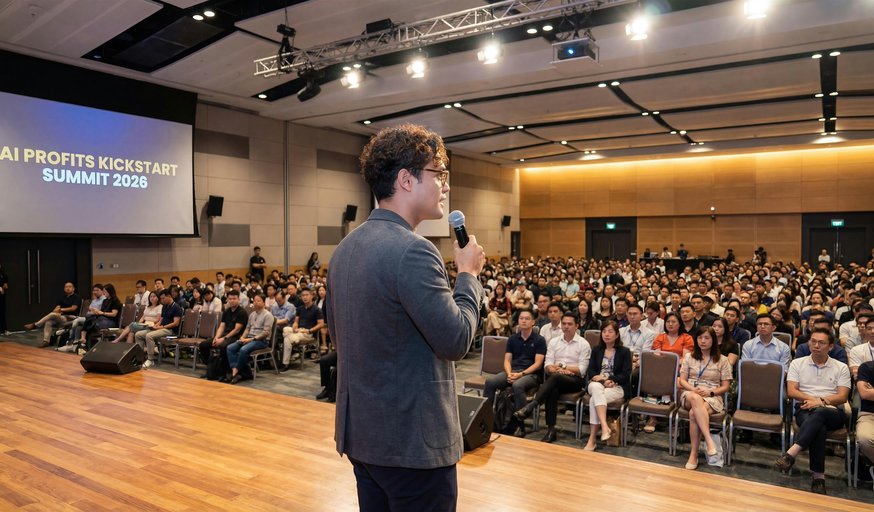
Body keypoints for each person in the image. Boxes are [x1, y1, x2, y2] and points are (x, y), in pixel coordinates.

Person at [327, 124, 484, 512]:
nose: (446, 185)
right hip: (412, 444)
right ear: (406, 180)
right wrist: (468, 275)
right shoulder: (415, 250)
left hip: (364, 437)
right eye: (439, 173)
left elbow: (340, 337)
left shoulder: (345, 248)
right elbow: (455, 340)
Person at [775, 328, 851, 495]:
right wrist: (814, 401)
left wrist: (820, 402)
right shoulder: (797, 363)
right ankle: (818, 478)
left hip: (833, 411)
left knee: (821, 413)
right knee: (819, 427)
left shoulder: (841, 367)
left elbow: (842, 396)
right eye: (813, 341)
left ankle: (792, 452)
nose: (816, 345)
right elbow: (792, 391)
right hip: (804, 407)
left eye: (821, 343)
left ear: (830, 346)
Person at [514, 312, 591, 443]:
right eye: (564, 324)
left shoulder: (583, 344)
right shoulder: (554, 342)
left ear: (577, 326)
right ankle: (551, 430)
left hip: (575, 381)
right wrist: (554, 369)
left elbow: (582, 370)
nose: (566, 326)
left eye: (570, 324)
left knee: (555, 378)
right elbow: (547, 365)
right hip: (556, 379)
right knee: (552, 389)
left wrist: (562, 367)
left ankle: (531, 406)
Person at [482, 310, 546, 437]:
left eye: (527, 318)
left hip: (531, 375)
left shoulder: (539, 340)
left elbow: (538, 364)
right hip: (513, 371)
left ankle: (520, 425)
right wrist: (509, 373)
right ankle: (486, 419)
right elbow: (507, 360)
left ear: (533, 322)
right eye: (521, 318)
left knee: (518, 385)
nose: (523, 321)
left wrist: (521, 374)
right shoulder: (512, 339)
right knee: (490, 382)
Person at [679, 327, 733, 470]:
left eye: (707, 338)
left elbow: (726, 386)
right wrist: (693, 389)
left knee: (694, 414)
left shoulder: (723, 360)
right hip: (690, 393)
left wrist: (710, 392)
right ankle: (709, 441)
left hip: (712, 396)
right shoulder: (689, 357)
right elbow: (682, 380)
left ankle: (693, 454)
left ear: (713, 340)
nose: (703, 341)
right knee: (695, 398)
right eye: (700, 338)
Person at [583, 321, 632, 451]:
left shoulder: (624, 352)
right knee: (595, 388)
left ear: (617, 335)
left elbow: (626, 374)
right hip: (597, 384)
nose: (607, 334)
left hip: (616, 387)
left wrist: (609, 379)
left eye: (610, 331)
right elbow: (591, 371)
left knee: (594, 400)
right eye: (604, 331)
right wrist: (603, 381)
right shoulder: (596, 350)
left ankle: (592, 439)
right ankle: (604, 427)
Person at [225, 293, 274, 384]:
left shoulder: (268, 315)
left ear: (264, 303)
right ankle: (235, 371)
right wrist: (242, 337)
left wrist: (251, 339)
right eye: (254, 301)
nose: (255, 302)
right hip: (249, 338)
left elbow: (266, 333)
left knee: (243, 350)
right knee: (230, 348)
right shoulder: (252, 314)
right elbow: (247, 329)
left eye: (258, 301)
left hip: (261, 341)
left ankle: (235, 373)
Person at [198, 290, 247, 379]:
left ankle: (224, 372)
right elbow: (221, 326)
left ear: (239, 299)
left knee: (223, 346)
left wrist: (223, 339)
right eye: (230, 299)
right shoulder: (227, 311)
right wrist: (216, 338)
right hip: (224, 335)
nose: (232, 301)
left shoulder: (242, 312)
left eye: (234, 299)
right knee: (203, 345)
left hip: (236, 337)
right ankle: (211, 368)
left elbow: (236, 330)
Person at [133, 290, 182, 368]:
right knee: (138, 334)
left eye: (163, 298)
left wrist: (162, 327)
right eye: (161, 299)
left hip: (170, 330)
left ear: (169, 296)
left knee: (149, 336)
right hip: (161, 328)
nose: (162, 300)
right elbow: (161, 320)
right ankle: (140, 357)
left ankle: (150, 359)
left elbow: (176, 323)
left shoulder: (176, 307)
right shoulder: (165, 306)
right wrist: (156, 325)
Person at [24, 281, 81, 347]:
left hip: (71, 318)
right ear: (64, 289)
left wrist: (61, 310)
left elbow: (73, 308)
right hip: (61, 317)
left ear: (73, 289)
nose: (68, 288)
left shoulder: (76, 297)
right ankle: (46, 341)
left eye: (70, 287)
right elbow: (56, 309)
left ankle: (35, 325)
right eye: (66, 287)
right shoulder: (63, 297)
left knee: (52, 314)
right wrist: (57, 310)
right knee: (48, 322)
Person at [280, 288, 324, 370]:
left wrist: (309, 330)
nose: (305, 297)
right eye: (303, 295)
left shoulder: (317, 310)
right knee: (286, 329)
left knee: (287, 339)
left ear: (311, 296)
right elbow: (296, 321)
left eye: (307, 295)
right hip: (299, 330)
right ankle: (293, 345)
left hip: (309, 334)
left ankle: (285, 363)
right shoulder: (300, 308)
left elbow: (321, 324)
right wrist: (295, 326)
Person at [77, 284, 121, 348]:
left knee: (91, 324)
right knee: (89, 319)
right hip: (102, 319)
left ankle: (84, 341)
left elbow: (114, 314)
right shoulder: (105, 300)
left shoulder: (115, 301)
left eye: (105, 291)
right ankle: (84, 341)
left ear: (109, 291)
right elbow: (101, 312)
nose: (103, 293)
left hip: (110, 321)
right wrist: (97, 311)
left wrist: (102, 313)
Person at [856, 359, 874, 481]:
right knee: (865, 439)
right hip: (869, 415)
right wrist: (869, 392)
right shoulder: (867, 367)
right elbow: (864, 394)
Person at [0, 262, 7, 335]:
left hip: (2, 297)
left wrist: (3, 287)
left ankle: (4, 329)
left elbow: (6, 286)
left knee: (2, 312)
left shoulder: (3, 275)